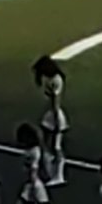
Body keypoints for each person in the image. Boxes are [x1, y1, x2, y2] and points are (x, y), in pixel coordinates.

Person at [34, 55, 68, 187]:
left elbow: (56, 102)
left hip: (54, 115)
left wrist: (56, 120)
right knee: (46, 143)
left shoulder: (55, 80)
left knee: (56, 146)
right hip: (50, 114)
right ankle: (50, 170)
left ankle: (58, 175)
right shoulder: (49, 79)